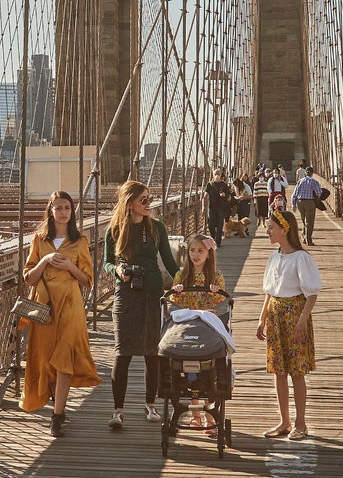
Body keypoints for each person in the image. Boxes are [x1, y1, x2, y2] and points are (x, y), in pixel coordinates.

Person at [20, 190, 99, 437]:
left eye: (67, 208)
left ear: (72, 211)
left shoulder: (80, 241)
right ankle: (59, 406)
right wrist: (45, 262)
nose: (63, 212)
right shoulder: (38, 240)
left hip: (70, 305)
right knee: (46, 360)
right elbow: (29, 278)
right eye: (59, 208)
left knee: (64, 358)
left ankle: (56, 416)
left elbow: (88, 280)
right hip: (44, 308)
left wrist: (69, 266)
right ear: (51, 210)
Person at [104, 178, 177, 431]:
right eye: (143, 199)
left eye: (150, 199)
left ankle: (150, 404)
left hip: (153, 293)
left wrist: (187, 282)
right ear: (130, 203)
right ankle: (118, 410)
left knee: (151, 352)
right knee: (122, 352)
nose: (149, 203)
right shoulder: (114, 229)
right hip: (126, 294)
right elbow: (106, 262)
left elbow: (169, 261)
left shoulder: (156, 227)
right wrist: (118, 269)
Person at [258, 206, 324, 440]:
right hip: (276, 314)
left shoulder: (301, 258)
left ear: (284, 231)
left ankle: (301, 424)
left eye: (271, 228)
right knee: (278, 371)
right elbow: (269, 290)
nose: (267, 231)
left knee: (297, 371)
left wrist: (303, 321)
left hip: (294, 314)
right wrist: (262, 317)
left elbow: (312, 292)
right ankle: (284, 421)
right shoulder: (274, 257)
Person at [169, 232, 230, 314]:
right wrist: (177, 291)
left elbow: (221, 299)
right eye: (192, 250)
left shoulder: (216, 276)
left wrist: (216, 292)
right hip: (187, 316)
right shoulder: (181, 275)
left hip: (207, 316)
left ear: (208, 254)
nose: (195, 254)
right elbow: (174, 299)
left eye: (200, 251)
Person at [291, 164, 328, 245]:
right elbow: (319, 193)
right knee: (309, 222)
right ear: (312, 173)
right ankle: (309, 240)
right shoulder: (314, 182)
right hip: (309, 202)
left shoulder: (300, 181)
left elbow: (294, 194)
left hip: (300, 202)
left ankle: (303, 237)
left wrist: (293, 204)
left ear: (305, 173)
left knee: (304, 220)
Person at [204, 169, 233, 240]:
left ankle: (218, 240)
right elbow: (205, 196)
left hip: (221, 208)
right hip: (212, 208)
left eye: (218, 174)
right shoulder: (210, 184)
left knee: (220, 225)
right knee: (211, 225)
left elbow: (229, 197)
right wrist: (203, 206)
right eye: (215, 174)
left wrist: (225, 194)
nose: (217, 176)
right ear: (213, 175)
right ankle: (213, 237)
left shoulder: (224, 184)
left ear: (220, 175)